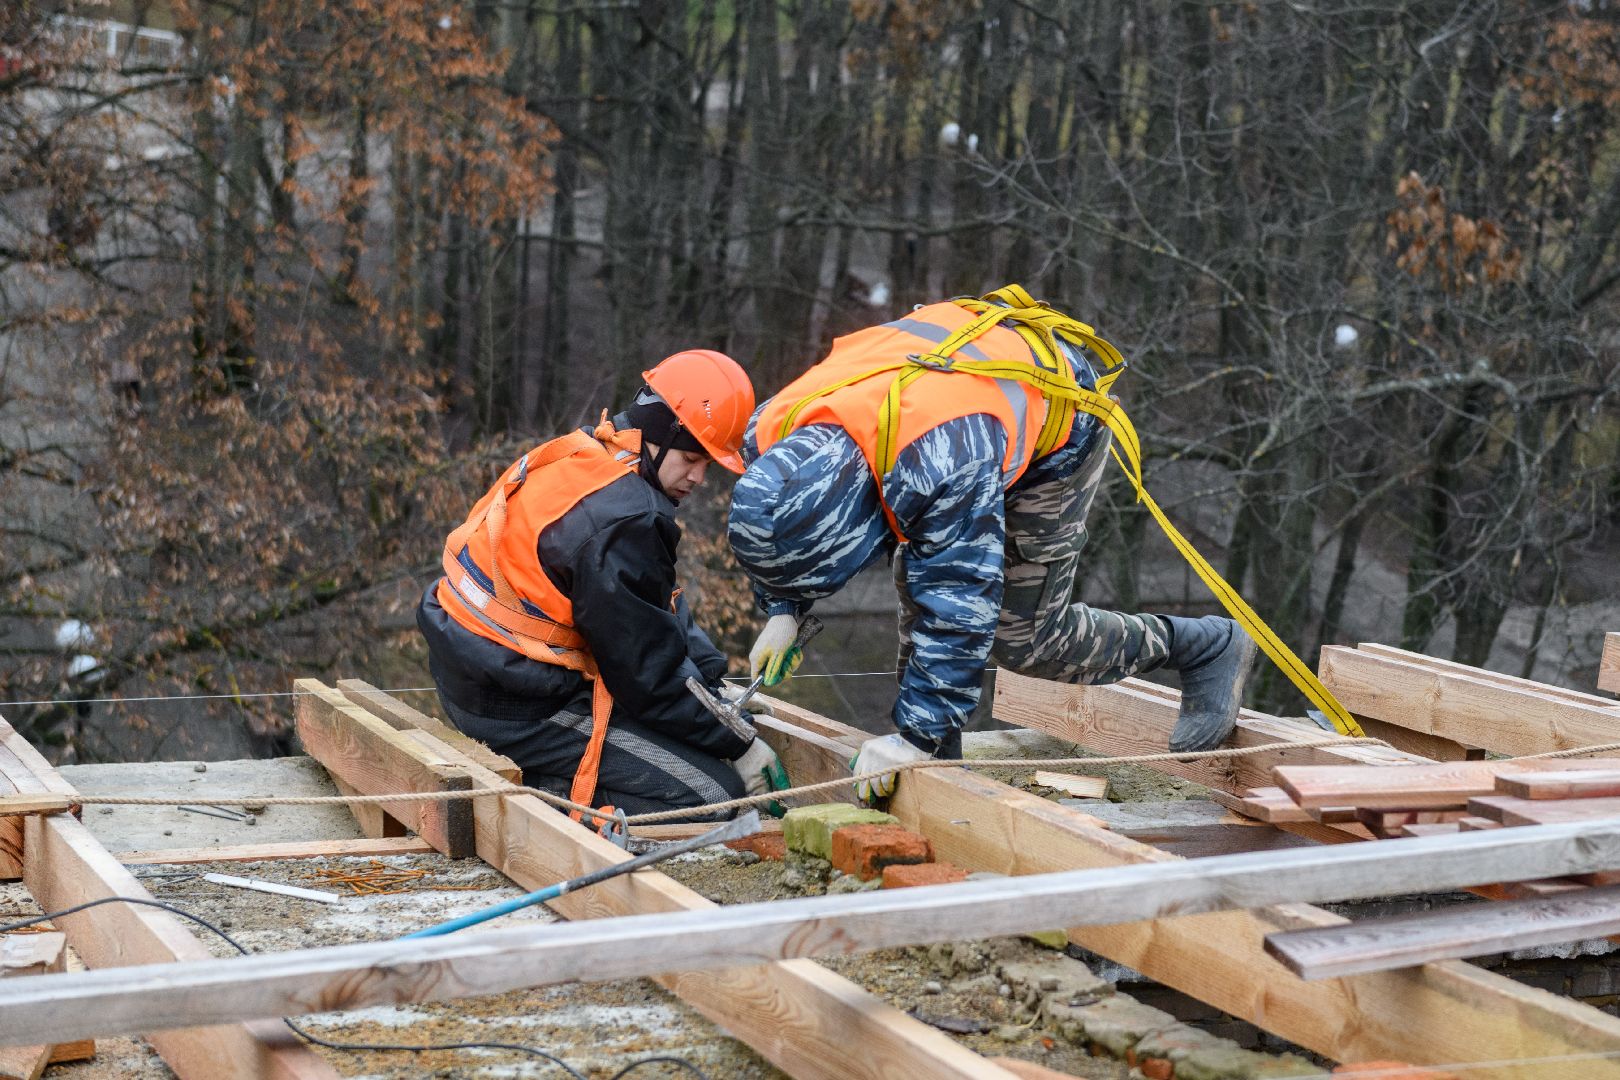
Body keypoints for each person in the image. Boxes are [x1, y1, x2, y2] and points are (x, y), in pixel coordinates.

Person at [727, 285, 1258, 798]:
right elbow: (778, 527)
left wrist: (916, 736)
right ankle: (939, 755)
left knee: (1025, 637)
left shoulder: (936, 467)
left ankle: (1204, 645)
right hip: (954, 411)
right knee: (922, 566)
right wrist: (783, 609)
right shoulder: (772, 431)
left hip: (1055, 419)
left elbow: (960, 602)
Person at [418, 350, 782, 823]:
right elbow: (647, 677)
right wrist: (739, 742)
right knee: (716, 796)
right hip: (518, 707)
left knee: (688, 742)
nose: (698, 478)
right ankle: (545, 793)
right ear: (660, 434)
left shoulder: (588, 454)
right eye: (691, 459)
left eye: (707, 464)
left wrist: (711, 685)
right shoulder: (628, 519)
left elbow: (653, 607)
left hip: (473, 673)